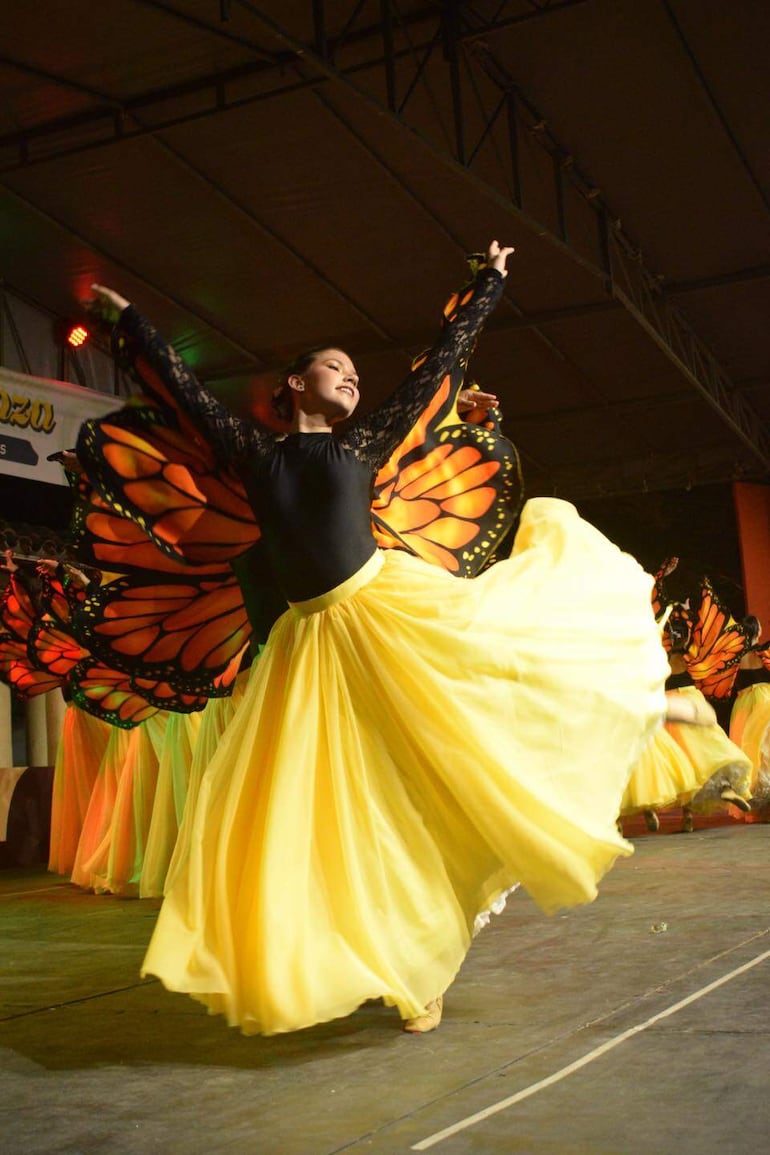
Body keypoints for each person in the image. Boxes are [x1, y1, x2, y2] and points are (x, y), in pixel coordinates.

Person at [85, 242, 671, 1037]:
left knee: (431, 774)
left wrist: (487, 285)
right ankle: (370, 957)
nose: (352, 376)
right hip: (307, 651)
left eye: (356, 371)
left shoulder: (360, 446)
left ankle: (419, 964)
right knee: (334, 815)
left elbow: (434, 372)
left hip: (385, 616)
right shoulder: (258, 455)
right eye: (335, 366)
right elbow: (187, 397)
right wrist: (132, 326)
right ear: (296, 383)